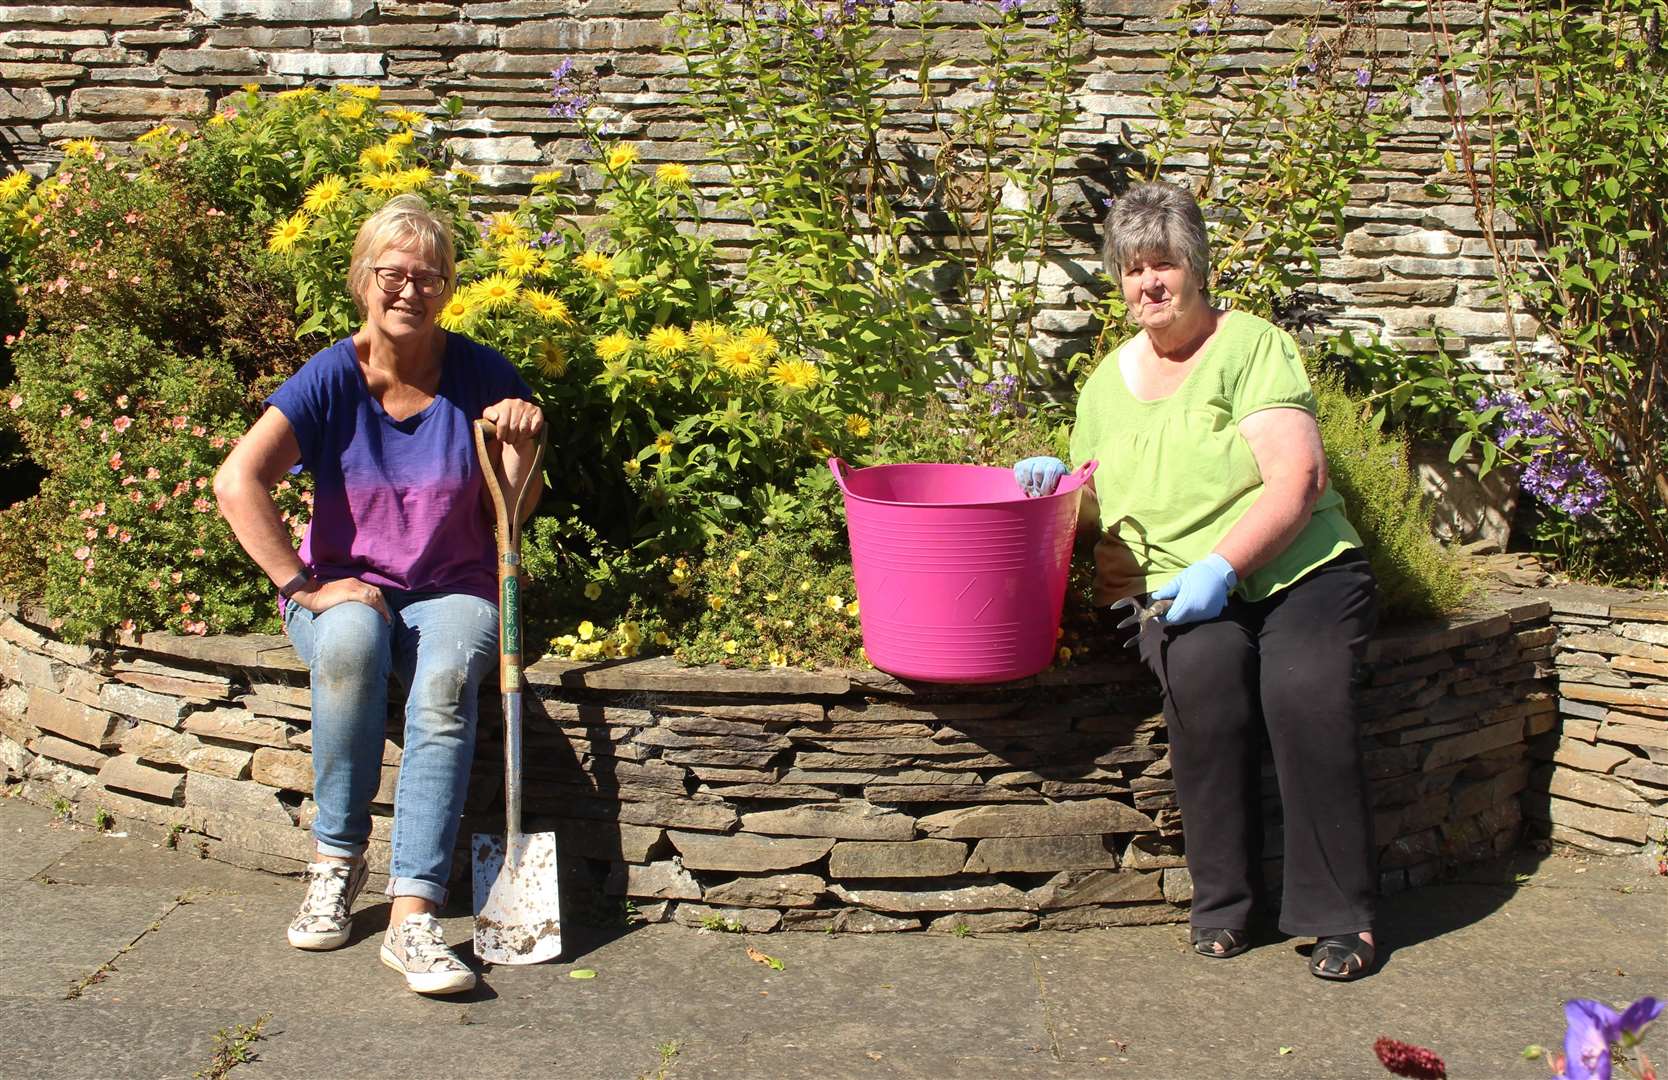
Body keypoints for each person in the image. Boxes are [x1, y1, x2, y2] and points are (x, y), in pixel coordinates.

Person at [1014, 181, 1380, 981]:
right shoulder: (1104, 384)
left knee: (1303, 686)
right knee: (1208, 675)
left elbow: (1299, 478)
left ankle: (1339, 916)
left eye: (1165, 265)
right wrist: (1054, 492)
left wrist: (1225, 563)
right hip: (1170, 588)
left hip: (1296, 568)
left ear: (1196, 269)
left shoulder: (1251, 345)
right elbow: (1098, 513)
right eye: (1133, 268)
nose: (1149, 283)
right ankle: (1225, 905)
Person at [214, 194, 544, 996]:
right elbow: (237, 480)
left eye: (428, 276)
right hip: (344, 587)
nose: (409, 290)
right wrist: (305, 587)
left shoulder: (482, 375)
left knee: (443, 679)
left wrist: (521, 446)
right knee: (355, 644)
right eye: (392, 274)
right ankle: (335, 859)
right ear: (364, 281)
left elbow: (511, 516)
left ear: (448, 288)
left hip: (452, 585)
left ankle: (414, 915)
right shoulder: (332, 376)